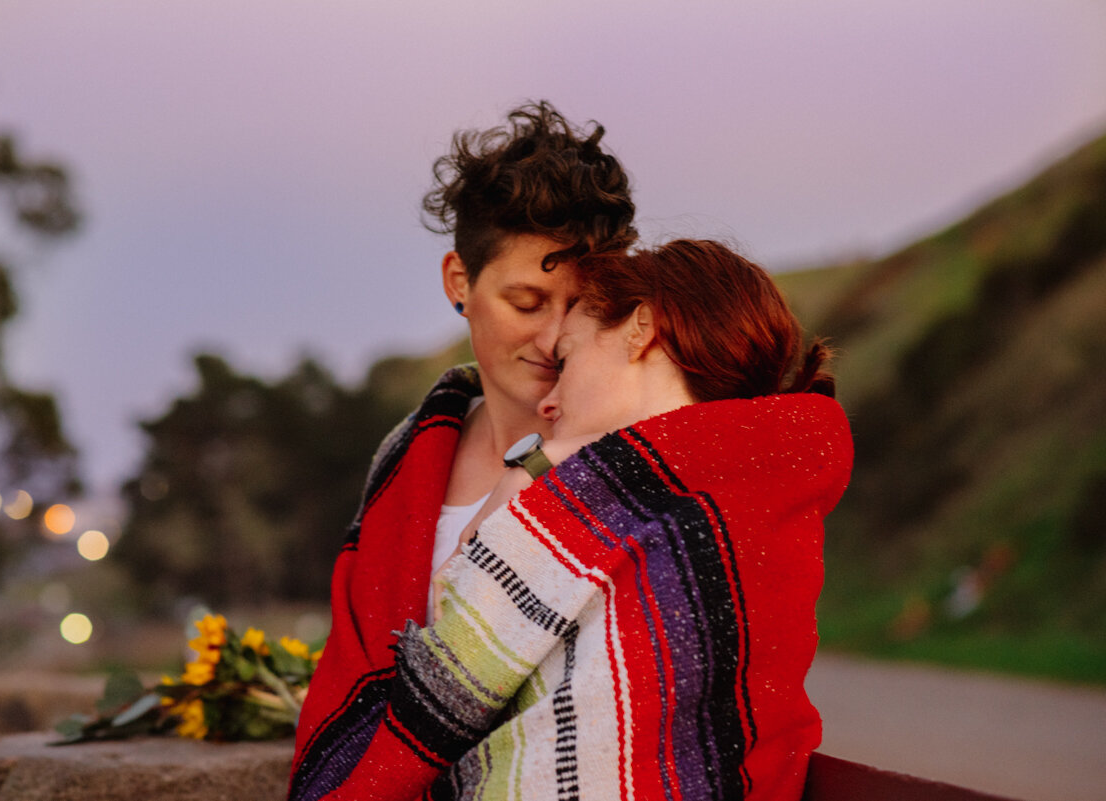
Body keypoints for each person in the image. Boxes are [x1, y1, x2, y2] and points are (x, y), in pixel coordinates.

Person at [291, 239, 854, 801]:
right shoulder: (759, 485)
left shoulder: (647, 504)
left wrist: (530, 471)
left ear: (641, 329)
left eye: (566, 360)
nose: (548, 401)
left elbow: (459, 634)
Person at [287, 101, 637, 799]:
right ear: (459, 282)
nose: (553, 337)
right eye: (527, 300)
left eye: (579, 303)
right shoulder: (407, 455)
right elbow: (358, 668)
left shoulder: (627, 460)